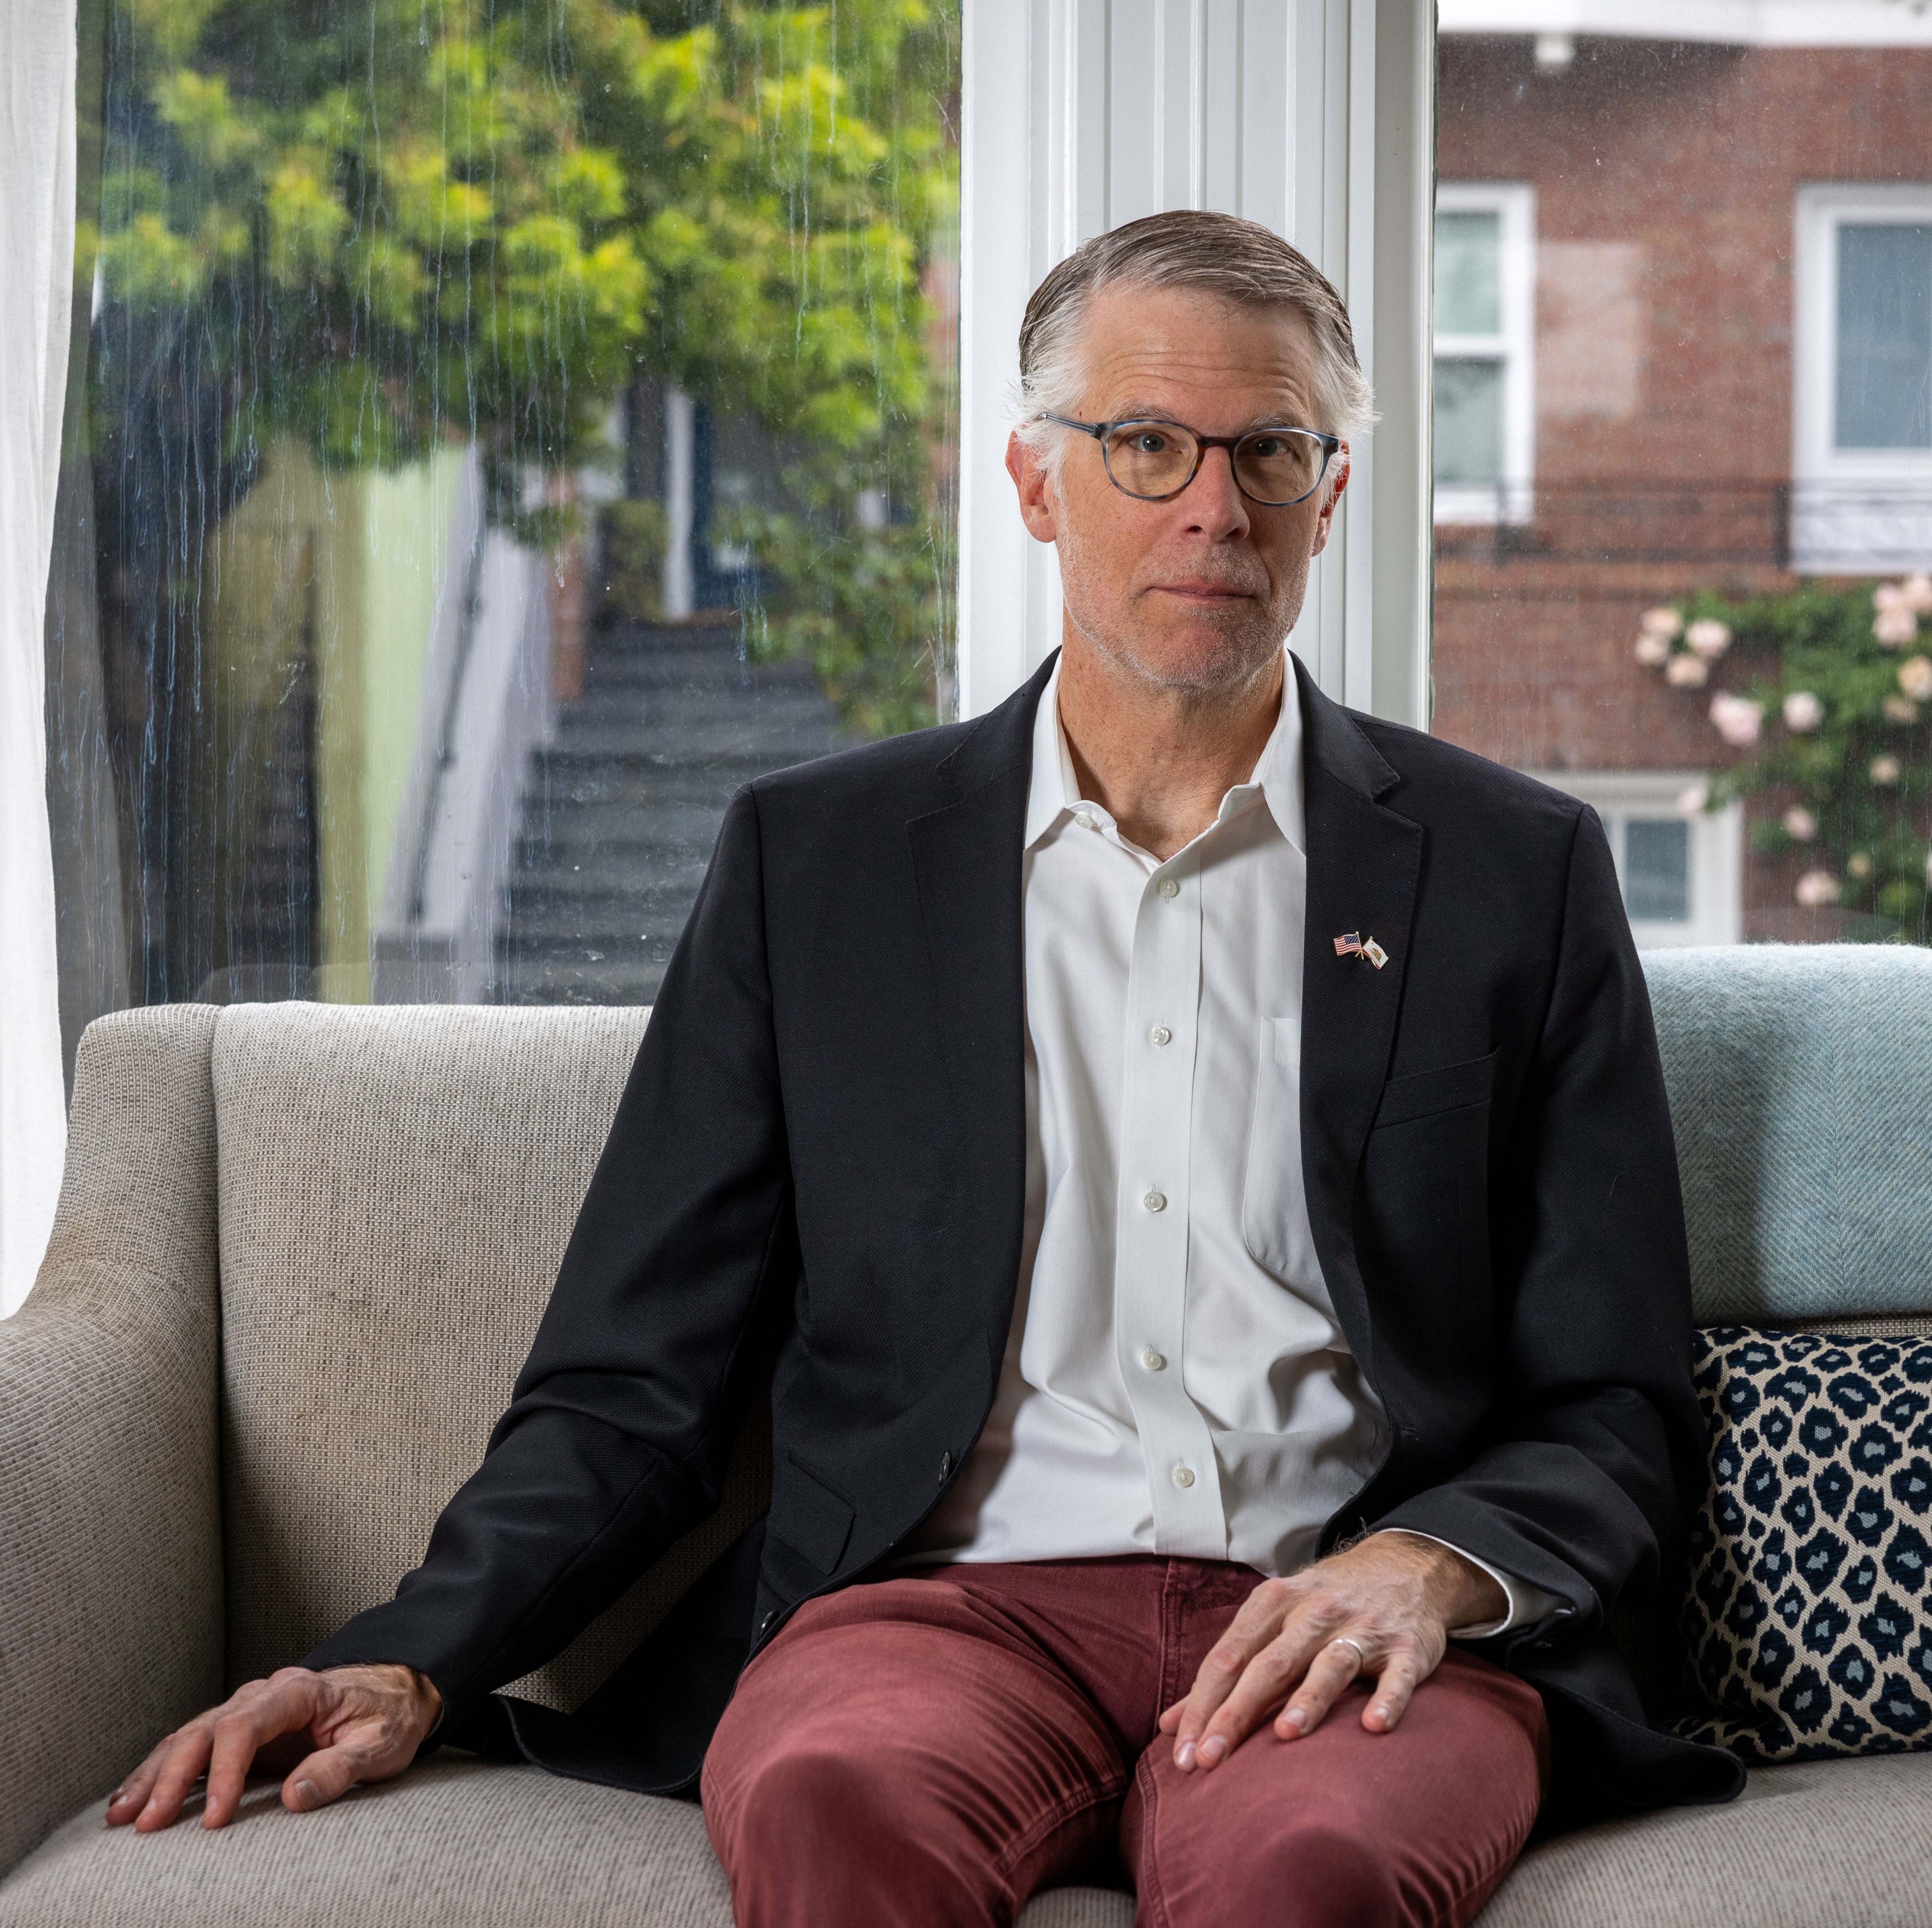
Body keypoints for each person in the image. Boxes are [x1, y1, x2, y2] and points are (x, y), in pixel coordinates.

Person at [106, 211, 1741, 1926]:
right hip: (941, 1613)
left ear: (1330, 494)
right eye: (1147, 446)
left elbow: (1615, 1394)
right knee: (828, 1802)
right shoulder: (817, 864)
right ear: (1037, 485)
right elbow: (632, 1385)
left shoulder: (1514, 871)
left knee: (1309, 1871)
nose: (1213, 505)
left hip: (1344, 1611)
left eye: (1270, 451)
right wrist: (410, 1662)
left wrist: (1436, 1566)